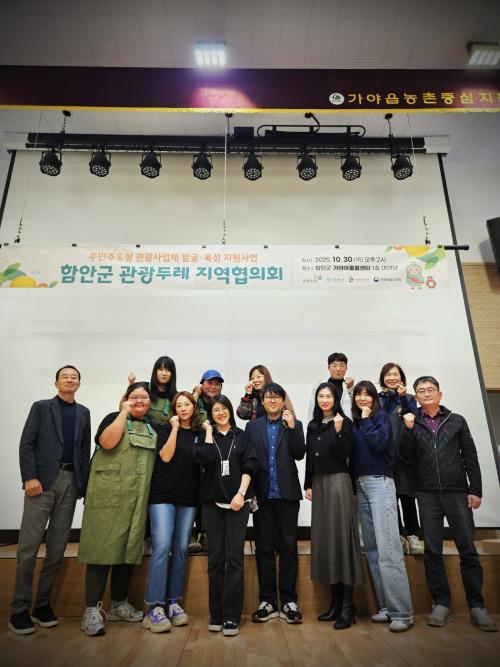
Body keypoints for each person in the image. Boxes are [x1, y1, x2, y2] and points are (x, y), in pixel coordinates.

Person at [400, 376, 497, 632]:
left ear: (440, 394)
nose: (427, 394)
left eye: (431, 390)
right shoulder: (412, 421)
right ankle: (441, 603)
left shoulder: (457, 420)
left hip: (457, 493)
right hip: (427, 494)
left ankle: (477, 606)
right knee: (432, 551)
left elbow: (470, 456)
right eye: (421, 391)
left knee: (468, 550)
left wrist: (475, 489)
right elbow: (405, 457)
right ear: (416, 397)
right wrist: (407, 429)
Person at [8, 366, 91, 636]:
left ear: (79, 383)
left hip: (70, 481)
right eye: (65, 376)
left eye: (74, 377)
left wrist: (82, 485)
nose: (70, 379)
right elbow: (26, 444)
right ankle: (19, 610)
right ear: (56, 383)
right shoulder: (41, 407)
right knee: (28, 548)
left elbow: (83, 451)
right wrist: (29, 477)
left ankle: (42, 606)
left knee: (56, 549)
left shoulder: (83, 412)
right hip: (41, 481)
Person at [78, 382, 157, 637]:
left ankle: (118, 604)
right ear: (126, 398)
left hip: (136, 499)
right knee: (101, 552)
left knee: (128, 550)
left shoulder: (152, 427)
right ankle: (91, 611)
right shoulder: (113, 418)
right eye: (134, 397)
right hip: (108, 499)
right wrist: (123, 412)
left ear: (150, 402)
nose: (139, 401)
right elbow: (107, 442)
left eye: (144, 397)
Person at [349, 380, 414, 633]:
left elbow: (378, 444)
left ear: (374, 398)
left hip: (380, 483)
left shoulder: (381, 418)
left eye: (368, 395)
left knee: (389, 548)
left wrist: (366, 419)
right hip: (360, 485)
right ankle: (387, 607)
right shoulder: (355, 423)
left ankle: (403, 613)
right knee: (373, 549)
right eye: (358, 394)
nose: (362, 398)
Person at [194, 396, 259, 637]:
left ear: (230, 410)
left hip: (237, 504)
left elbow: (250, 466)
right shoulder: (205, 436)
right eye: (215, 410)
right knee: (214, 560)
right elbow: (205, 458)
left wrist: (241, 494)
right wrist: (208, 433)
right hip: (212, 505)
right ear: (210, 414)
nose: (220, 413)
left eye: (223, 409)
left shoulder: (242, 436)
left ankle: (232, 615)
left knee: (234, 560)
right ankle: (217, 614)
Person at [304, 382, 365, 630]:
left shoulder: (344, 422)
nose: (324, 400)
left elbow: (344, 455)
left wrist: (339, 431)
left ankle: (348, 607)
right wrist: (308, 483)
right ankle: (335, 604)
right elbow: (310, 457)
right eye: (321, 396)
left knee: (341, 540)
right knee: (326, 539)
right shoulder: (313, 425)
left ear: (335, 399)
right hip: (319, 484)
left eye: (328, 396)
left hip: (339, 481)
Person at [142, 391, 202, 633]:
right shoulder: (165, 429)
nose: (183, 408)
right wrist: (175, 429)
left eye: (187, 404)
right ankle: (154, 608)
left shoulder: (199, 433)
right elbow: (165, 456)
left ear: (194, 408)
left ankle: (174, 603)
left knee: (180, 550)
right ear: (174, 410)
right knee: (162, 546)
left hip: (188, 499)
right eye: (179, 405)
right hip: (163, 497)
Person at [246, 383, 306, 624]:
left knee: (289, 548)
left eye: (276, 397)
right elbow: (248, 460)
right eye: (268, 397)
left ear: (283, 401)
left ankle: (289, 601)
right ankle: (268, 600)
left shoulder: (294, 424)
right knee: (264, 549)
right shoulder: (252, 427)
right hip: (262, 496)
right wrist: (250, 492)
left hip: (287, 495)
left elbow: (299, 453)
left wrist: (292, 428)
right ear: (262, 401)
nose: (272, 400)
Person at [378, 362, 423, 556]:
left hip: (404, 456)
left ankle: (412, 535)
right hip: (383, 457)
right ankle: (397, 536)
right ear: (382, 378)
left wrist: (402, 397)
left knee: (407, 496)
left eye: (395, 374)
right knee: (390, 500)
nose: (391, 377)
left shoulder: (409, 398)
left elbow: (411, 417)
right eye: (388, 374)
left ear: (402, 377)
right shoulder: (377, 398)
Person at [127, 356, 178, 426]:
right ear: (155, 371)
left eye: (168, 370)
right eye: (161, 369)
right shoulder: (144, 388)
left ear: (172, 374)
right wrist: (131, 386)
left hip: (163, 432)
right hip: (140, 429)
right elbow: (126, 408)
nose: (164, 373)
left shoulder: (176, 396)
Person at [308, 352, 354, 421]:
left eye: (341, 365)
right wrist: (311, 424)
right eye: (334, 365)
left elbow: (355, 408)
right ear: (328, 367)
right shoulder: (320, 386)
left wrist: (350, 388)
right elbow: (312, 407)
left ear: (346, 368)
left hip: (346, 425)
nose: (338, 369)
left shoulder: (349, 386)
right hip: (324, 425)